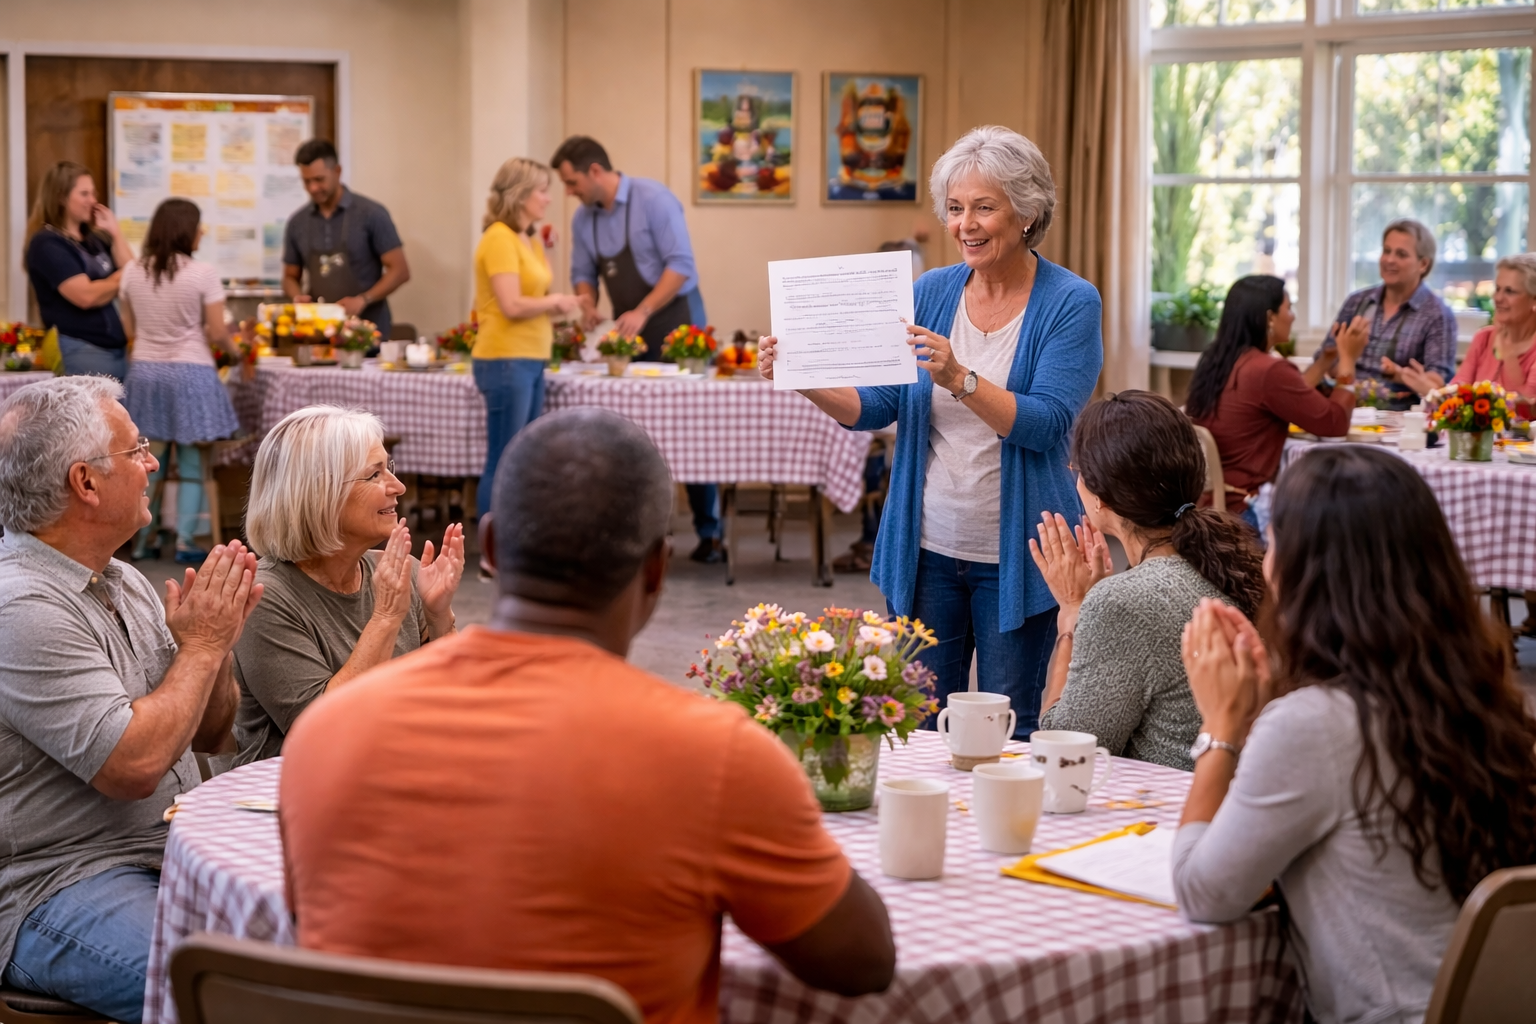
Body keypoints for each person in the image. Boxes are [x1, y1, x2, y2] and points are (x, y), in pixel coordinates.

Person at [279, 408, 895, 1022]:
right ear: (657, 570)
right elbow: (862, 962)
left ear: (491, 548)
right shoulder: (713, 756)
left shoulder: (329, 732)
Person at [1172, 445, 1536, 1024]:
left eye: (1275, 544)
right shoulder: (1480, 699)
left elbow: (1202, 893)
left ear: (1302, 571)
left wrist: (1221, 729)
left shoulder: (1314, 725)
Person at [759, 125, 1102, 737]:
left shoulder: (1071, 302)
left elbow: (1048, 423)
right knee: (915, 725)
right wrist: (801, 375)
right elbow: (878, 405)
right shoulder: (931, 290)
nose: (965, 224)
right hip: (925, 552)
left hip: (1020, 557)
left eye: (983, 207)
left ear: (1026, 212)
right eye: (954, 208)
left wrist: (959, 377)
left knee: (1007, 729)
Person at [0, 377, 260, 1023]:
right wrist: (199, 649)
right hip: (54, 883)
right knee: (239, 993)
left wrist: (217, 644)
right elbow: (133, 768)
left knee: (325, 941)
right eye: (138, 449)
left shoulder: (123, 580)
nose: (153, 463)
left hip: (164, 852)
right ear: (85, 483)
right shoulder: (21, 605)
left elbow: (208, 735)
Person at [1030, 391, 1265, 771]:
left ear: (1100, 496)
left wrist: (1072, 613)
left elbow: (1065, 750)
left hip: (1161, 814)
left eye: (1078, 471)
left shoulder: (1123, 602)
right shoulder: (1236, 562)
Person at [232, 407, 464, 765]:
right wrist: (386, 617)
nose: (397, 486)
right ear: (318, 493)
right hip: (285, 803)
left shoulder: (396, 572)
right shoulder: (265, 596)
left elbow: (451, 705)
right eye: (375, 474)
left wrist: (438, 616)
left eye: (390, 467)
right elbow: (322, 732)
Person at [552, 135, 723, 563]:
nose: (568, 192)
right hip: (631, 327)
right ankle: (640, 530)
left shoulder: (654, 199)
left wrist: (644, 310)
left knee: (692, 426)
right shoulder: (582, 218)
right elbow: (582, 271)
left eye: (571, 182)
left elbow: (682, 266)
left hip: (675, 320)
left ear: (595, 171)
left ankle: (711, 533)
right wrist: (588, 303)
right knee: (634, 427)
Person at [119, 198, 243, 565]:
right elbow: (218, 331)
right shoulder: (202, 273)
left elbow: (129, 329)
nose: (202, 231)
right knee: (192, 465)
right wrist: (236, 354)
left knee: (146, 460)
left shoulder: (132, 272)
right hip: (192, 374)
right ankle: (187, 540)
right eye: (199, 225)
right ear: (186, 230)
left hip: (145, 373)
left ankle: (143, 541)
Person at [1186, 276, 1361, 529]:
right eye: (1288, 308)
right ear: (1269, 317)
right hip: (1244, 513)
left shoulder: (1217, 358)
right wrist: (1348, 361)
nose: (1292, 317)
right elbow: (1334, 423)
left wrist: (1324, 361)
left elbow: (1288, 393)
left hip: (1208, 506)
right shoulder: (1267, 369)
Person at [471, 157, 582, 522]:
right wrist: (555, 301)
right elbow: (512, 304)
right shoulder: (499, 238)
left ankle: (513, 539)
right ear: (520, 195)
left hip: (531, 357)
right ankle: (492, 548)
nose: (548, 199)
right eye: (542, 191)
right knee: (504, 456)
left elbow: (535, 295)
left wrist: (559, 302)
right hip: (505, 358)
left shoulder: (528, 238)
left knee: (523, 455)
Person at [1313, 218, 1457, 409]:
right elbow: (1324, 360)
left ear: (1423, 264)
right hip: (1344, 408)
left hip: (1398, 420)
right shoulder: (1357, 302)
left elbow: (1436, 385)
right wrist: (1345, 358)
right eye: (1386, 251)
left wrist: (1402, 375)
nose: (1389, 260)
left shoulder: (1438, 315)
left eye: (1401, 254)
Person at [281, 139, 410, 340]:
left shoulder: (371, 214)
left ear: (338, 171)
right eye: (307, 182)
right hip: (318, 334)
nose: (313, 188)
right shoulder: (297, 223)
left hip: (367, 334)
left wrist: (363, 300)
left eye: (319, 179)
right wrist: (297, 297)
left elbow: (400, 271)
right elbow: (290, 276)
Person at [23, 161, 134, 380]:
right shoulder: (47, 244)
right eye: (84, 194)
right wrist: (123, 276)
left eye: (93, 193)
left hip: (117, 351)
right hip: (81, 349)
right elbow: (85, 296)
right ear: (61, 197)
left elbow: (137, 274)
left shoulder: (95, 239)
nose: (93, 201)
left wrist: (116, 233)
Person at [1392, 252, 1536, 411]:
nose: (1498, 298)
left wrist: (1508, 354)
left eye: (1510, 291)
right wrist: (1431, 390)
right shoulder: (1483, 338)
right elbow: (1459, 392)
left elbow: (1528, 410)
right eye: (1498, 289)